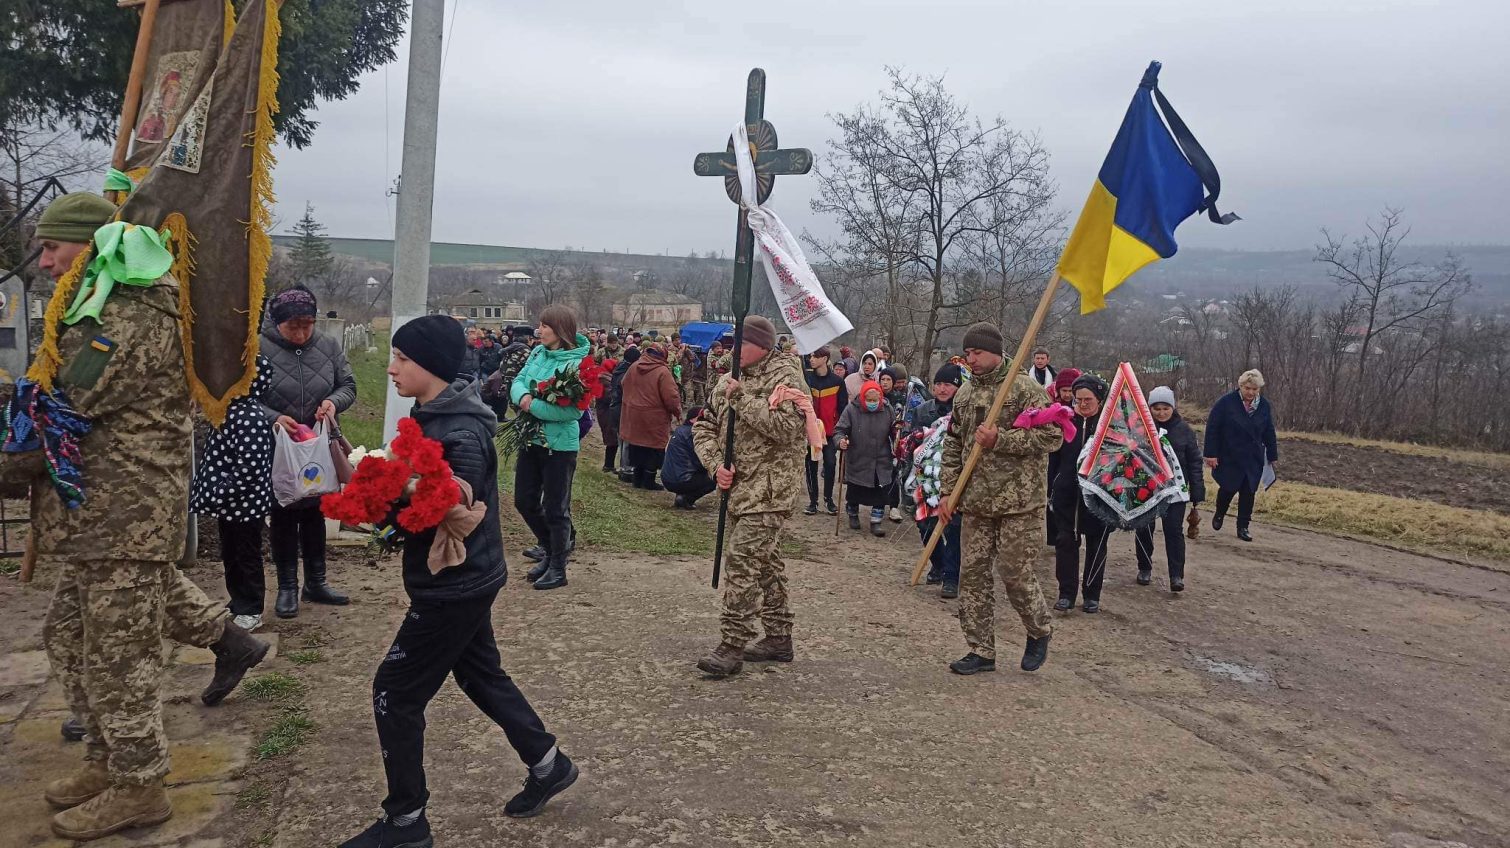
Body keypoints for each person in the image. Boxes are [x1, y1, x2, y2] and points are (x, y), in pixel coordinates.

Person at [9, 193, 268, 840]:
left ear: (92, 246)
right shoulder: (98, 303)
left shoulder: (126, 316)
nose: (45, 262)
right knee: (72, 640)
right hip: (96, 516)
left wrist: (9, 462)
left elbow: (63, 411)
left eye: (54, 248)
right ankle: (106, 761)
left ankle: (140, 783)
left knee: (118, 658)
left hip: (126, 516)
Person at [341, 315, 576, 848]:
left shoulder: (460, 428)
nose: (393, 368)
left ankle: (406, 821)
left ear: (433, 366)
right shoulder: (432, 415)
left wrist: (392, 491)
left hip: (456, 584)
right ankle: (548, 764)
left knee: (394, 692)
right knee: (480, 674)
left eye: (402, 359)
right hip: (464, 576)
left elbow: (457, 496)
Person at [938, 322, 1060, 676]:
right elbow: (952, 445)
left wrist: (1001, 440)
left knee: (1014, 572)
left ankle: (1039, 629)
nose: (971, 360)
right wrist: (948, 490)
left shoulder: (1025, 390)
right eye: (968, 354)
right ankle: (980, 649)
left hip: (1019, 503)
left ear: (995, 352)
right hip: (976, 500)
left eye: (976, 353)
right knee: (972, 575)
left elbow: (1052, 437)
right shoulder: (964, 394)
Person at [692, 315, 807, 677]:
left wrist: (742, 399)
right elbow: (704, 425)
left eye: (742, 343)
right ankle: (778, 637)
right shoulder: (727, 379)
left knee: (742, 560)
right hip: (738, 488)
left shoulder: (785, 377)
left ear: (762, 345)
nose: (734, 350)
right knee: (766, 565)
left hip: (772, 490)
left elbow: (788, 428)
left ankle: (732, 645)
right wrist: (715, 466)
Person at [259, 286, 356, 618]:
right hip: (277, 446)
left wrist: (333, 402)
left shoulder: (327, 346)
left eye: (307, 325)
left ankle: (316, 581)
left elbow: (348, 385)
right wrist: (273, 418)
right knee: (285, 512)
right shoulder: (259, 348)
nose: (301, 334)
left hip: (317, 445)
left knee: (316, 509)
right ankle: (287, 586)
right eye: (293, 327)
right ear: (277, 323)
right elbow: (242, 397)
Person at [190, 355, 276, 632]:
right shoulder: (231, 411)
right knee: (231, 553)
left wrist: (222, 488)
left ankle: (251, 608)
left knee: (246, 555)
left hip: (244, 503)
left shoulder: (248, 416)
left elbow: (250, 466)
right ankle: (238, 601)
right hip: (231, 504)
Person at [510, 304, 590, 590]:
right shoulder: (536, 352)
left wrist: (533, 405)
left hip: (559, 446)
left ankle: (558, 567)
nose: (539, 330)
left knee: (556, 508)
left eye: (545, 325)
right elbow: (517, 382)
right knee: (524, 500)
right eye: (540, 325)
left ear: (561, 329)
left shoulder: (579, 364)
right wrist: (523, 399)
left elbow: (573, 412)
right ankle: (548, 548)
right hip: (531, 439)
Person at [1050, 374, 1112, 613]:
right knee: (1065, 542)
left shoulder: (1109, 427)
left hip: (1099, 497)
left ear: (1099, 400)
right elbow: (1053, 458)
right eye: (1078, 400)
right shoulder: (1065, 422)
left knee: (1097, 544)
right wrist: (1051, 488)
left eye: (1088, 399)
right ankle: (1066, 593)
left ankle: (1092, 594)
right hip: (1067, 494)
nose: (1083, 404)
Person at [1137, 386, 1203, 591]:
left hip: (1176, 489)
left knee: (1173, 531)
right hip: (1147, 488)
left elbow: (1194, 461)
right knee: (1144, 527)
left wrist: (1197, 491)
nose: (1161, 412)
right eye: (1156, 408)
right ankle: (1144, 567)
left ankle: (1176, 575)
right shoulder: (1142, 428)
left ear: (1173, 408)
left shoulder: (1184, 430)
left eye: (1165, 408)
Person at [1204, 369, 1278, 542]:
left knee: (1248, 492)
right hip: (1230, 454)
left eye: (1254, 389)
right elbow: (1213, 428)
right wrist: (1210, 454)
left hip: (1253, 457)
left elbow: (1269, 431)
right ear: (1241, 386)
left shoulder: (1264, 405)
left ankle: (1243, 527)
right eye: (1247, 388)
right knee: (1228, 488)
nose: (1251, 392)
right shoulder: (1226, 403)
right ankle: (1220, 513)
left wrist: (1273, 454)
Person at [910, 364, 963, 598]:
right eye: (939, 384)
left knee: (953, 528)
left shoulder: (963, 412)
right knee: (925, 525)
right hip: (926, 477)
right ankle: (939, 563)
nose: (942, 389)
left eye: (948, 385)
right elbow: (911, 441)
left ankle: (951, 577)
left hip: (954, 479)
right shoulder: (923, 411)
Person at [833, 379, 896, 537]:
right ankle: (853, 513)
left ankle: (876, 521)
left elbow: (895, 430)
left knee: (880, 493)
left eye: (875, 400)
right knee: (855, 491)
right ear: (862, 398)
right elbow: (840, 429)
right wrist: (841, 441)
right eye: (869, 400)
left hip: (881, 459)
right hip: (858, 457)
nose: (872, 403)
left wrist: (899, 433)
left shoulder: (888, 410)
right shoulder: (852, 410)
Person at [619, 342, 682, 491]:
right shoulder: (662, 371)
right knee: (653, 449)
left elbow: (623, 383)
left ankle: (637, 478)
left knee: (636, 447)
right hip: (654, 417)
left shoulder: (634, 366)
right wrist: (677, 412)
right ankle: (649, 481)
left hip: (633, 415)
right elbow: (671, 397)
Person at [802, 346, 847, 515]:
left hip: (830, 431)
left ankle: (829, 499)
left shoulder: (837, 382)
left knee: (830, 464)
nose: (811, 359)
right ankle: (813, 501)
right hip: (811, 431)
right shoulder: (807, 379)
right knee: (811, 465)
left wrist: (842, 430)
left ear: (825, 359)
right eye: (811, 356)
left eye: (815, 356)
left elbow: (843, 408)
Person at [1044, 367, 1082, 543]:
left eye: (1070, 391)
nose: (1067, 395)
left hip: (1073, 453)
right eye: (1064, 390)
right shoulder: (1052, 408)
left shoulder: (1080, 410)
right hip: (1054, 454)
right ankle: (1053, 536)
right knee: (1053, 492)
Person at [662, 407, 716, 509]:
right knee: (714, 477)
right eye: (702, 417)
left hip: (667, 478)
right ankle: (686, 498)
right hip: (682, 479)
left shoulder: (679, 430)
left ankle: (681, 495)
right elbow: (701, 460)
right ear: (693, 419)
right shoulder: (694, 434)